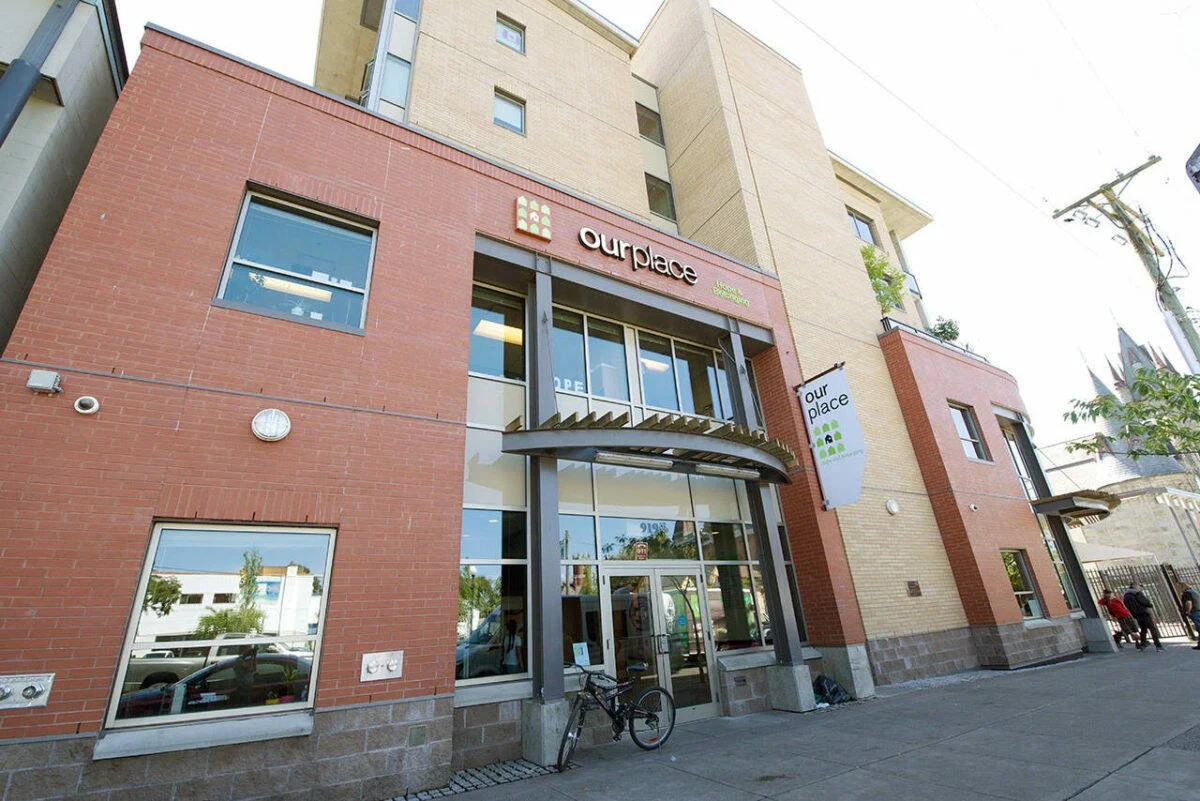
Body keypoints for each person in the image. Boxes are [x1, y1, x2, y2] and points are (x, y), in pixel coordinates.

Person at [1123, 583, 1163, 651]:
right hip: (1144, 613)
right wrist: (1149, 604)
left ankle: (1143, 644)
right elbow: (1144, 601)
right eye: (1139, 586)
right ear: (1134, 586)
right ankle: (1158, 645)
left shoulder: (1126, 595)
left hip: (1136, 615)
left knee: (1143, 629)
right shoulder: (1137, 593)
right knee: (1152, 628)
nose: (1140, 587)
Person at [1179, 581, 1200, 650]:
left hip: (1195, 611)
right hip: (1198, 610)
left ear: (1182, 586)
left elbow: (1189, 602)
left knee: (1199, 627)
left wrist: (1188, 611)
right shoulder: (1194, 591)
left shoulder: (1187, 593)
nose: (1178, 589)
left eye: (1179, 587)